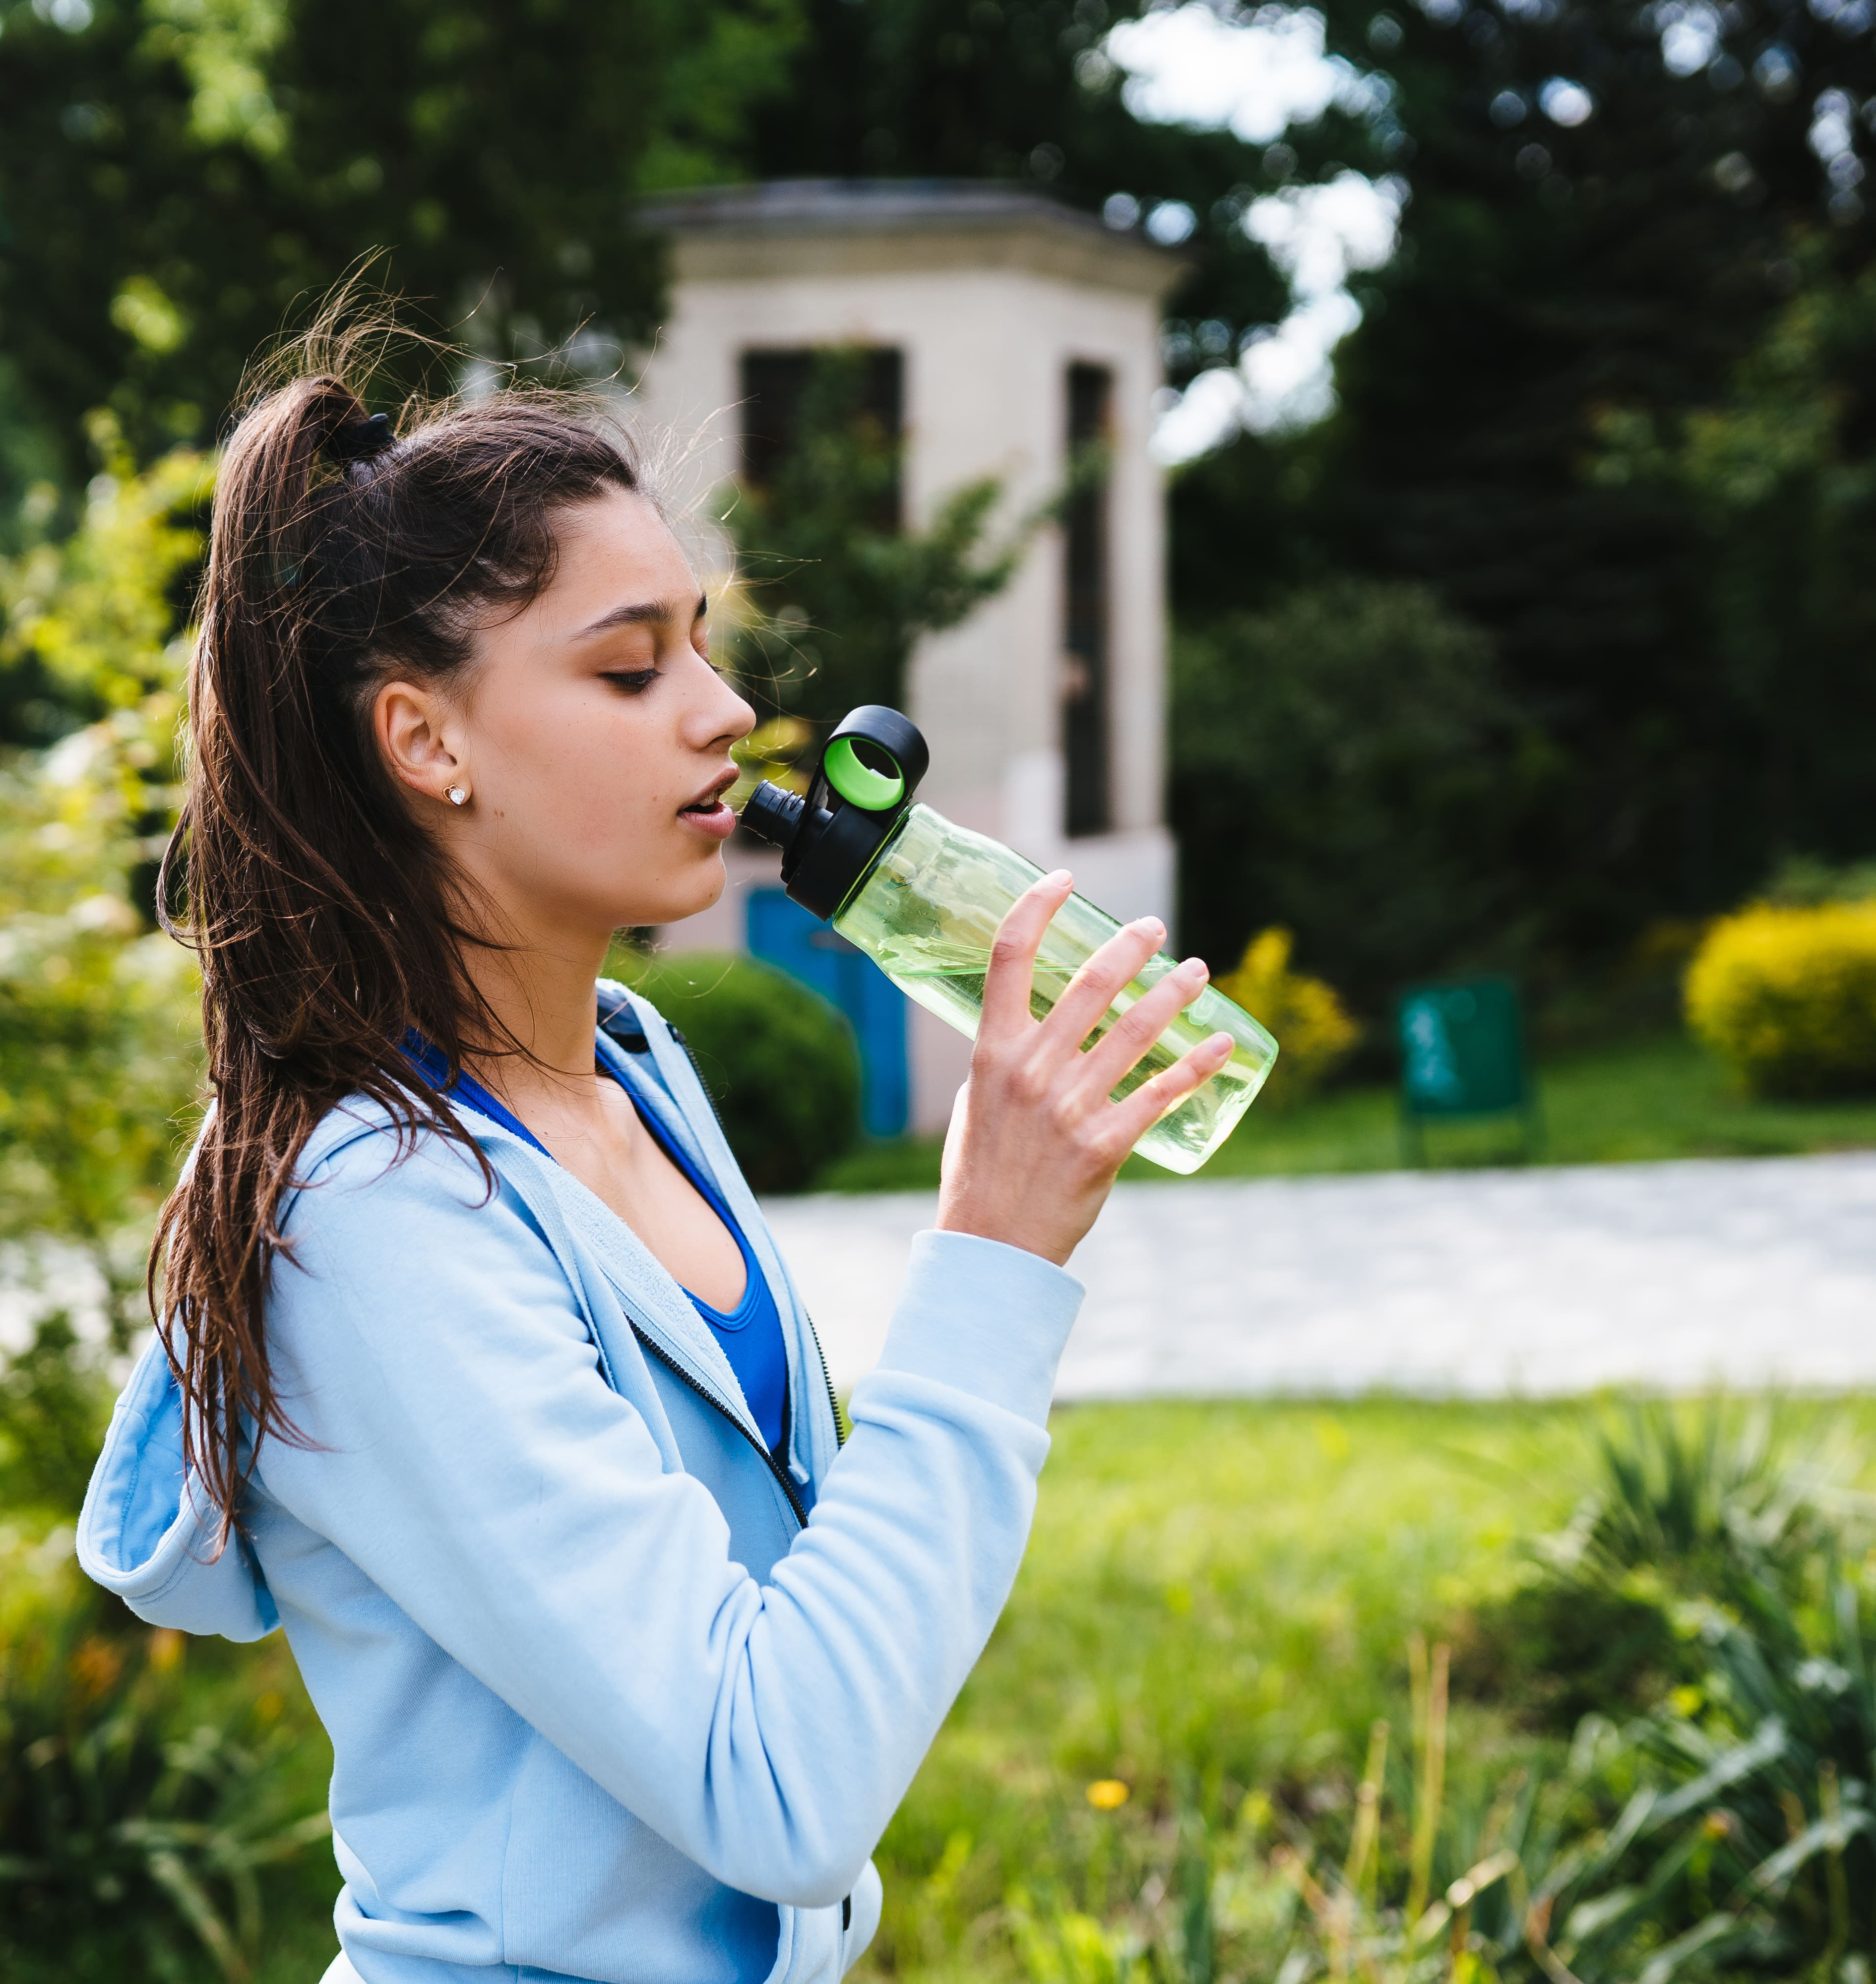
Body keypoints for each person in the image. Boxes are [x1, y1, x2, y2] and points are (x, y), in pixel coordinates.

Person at [78, 342, 1235, 1984]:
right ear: (426, 741)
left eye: (701, 642)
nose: (725, 712)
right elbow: (777, 1787)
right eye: (630, 672)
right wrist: (992, 1257)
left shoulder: (631, 1068)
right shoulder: (373, 1220)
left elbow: (793, 1625)